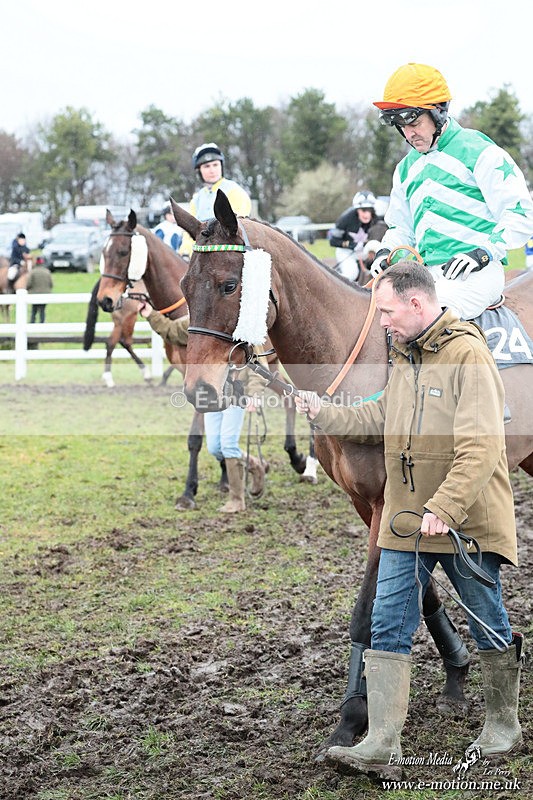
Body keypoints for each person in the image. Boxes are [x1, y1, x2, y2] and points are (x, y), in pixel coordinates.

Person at [295, 262, 523, 779]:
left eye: (388, 310)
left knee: (486, 618)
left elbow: (483, 445)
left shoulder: (468, 354)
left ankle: (503, 724)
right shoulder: (405, 356)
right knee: (388, 622)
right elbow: (380, 417)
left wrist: (444, 509)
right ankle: (381, 743)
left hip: (463, 520)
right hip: (405, 518)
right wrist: (323, 411)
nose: (382, 322)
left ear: (417, 304)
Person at [369, 62, 533, 320]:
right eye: (401, 125)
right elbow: (401, 228)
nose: (409, 134)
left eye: (415, 122)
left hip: (478, 274)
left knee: (426, 318)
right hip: (426, 276)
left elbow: (521, 213)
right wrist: (385, 251)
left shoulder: (480, 151)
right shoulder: (404, 169)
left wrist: (484, 252)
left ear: (439, 113)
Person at [137, 300, 267, 513]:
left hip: (236, 394)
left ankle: (237, 499)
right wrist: (151, 314)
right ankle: (254, 464)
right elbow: (171, 331)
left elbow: (257, 365)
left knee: (227, 444)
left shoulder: (243, 328)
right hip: (210, 396)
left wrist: (253, 394)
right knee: (215, 447)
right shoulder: (198, 325)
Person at [179, 142, 252, 258]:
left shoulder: (235, 191)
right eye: (207, 166)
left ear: (221, 166)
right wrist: (186, 252)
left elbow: (239, 226)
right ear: (199, 171)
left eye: (215, 165)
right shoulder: (197, 199)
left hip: (230, 252)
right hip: (202, 253)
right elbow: (190, 230)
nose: (212, 170)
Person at [329, 190, 386, 282]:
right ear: (357, 209)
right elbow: (333, 241)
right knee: (351, 274)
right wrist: (353, 245)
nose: (367, 214)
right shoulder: (345, 219)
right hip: (347, 252)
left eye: (370, 210)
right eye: (363, 210)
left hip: (365, 252)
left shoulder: (378, 219)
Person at [26, 255, 53, 323]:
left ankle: (32, 323)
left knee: (34, 310)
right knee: (42, 310)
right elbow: (51, 284)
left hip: (34, 294)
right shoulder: (47, 272)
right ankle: (42, 323)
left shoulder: (33, 272)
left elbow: (28, 284)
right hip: (45, 294)